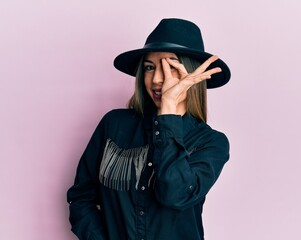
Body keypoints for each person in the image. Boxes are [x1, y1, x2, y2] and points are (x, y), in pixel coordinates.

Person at [67, 18, 231, 240]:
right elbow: (81, 197)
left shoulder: (211, 142)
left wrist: (168, 112)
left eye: (170, 66)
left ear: (191, 75)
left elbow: (176, 196)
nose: (157, 79)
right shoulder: (114, 124)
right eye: (149, 67)